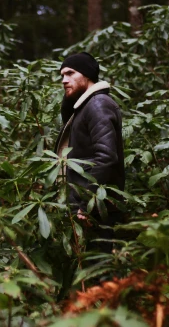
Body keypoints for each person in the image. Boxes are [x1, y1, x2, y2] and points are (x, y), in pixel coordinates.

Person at [53, 52, 125, 254]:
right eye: (62, 75)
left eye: (70, 73)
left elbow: (106, 156)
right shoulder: (86, 105)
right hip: (88, 205)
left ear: (87, 74)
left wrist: (86, 204)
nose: (64, 80)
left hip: (96, 207)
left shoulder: (97, 104)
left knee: (99, 266)